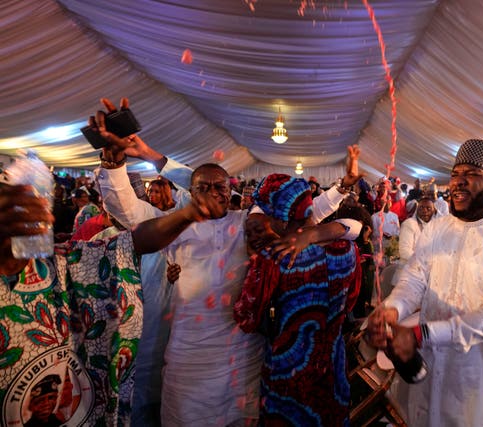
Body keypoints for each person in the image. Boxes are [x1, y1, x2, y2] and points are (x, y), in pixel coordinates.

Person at [92, 96, 363, 426]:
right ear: (190, 193)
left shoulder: (245, 224)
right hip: (189, 363)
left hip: (243, 362)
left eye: (219, 187)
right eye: (202, 188)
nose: (212, 193)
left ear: (230, 190)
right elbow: (127, 211)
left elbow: (309, 212)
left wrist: (337, 195)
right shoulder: (175, 225)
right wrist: (114, 167)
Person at [0, 180, 218, 427]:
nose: (32, 226)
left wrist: (188, 214)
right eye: (12, 220)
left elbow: (132, 243)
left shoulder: (57, 264)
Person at [366, 138, 483, 426]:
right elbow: (414, 278)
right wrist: (392, 309)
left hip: (481, 376)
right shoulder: (436, 228)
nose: (459, 182)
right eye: (455, 175)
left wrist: (422, 335)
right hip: (432, 367)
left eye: (472, 175)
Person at [234, 174, 360, 426]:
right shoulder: (348, 250)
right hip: (332, 372)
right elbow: (351, 302)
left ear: (277, 219)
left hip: (287, 377)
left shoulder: (272, 259)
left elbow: (246, 318)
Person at [398, 196, 436, 263]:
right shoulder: (409, 224)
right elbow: (404, 251)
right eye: (421, 208)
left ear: (434, 211)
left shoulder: (436, 226)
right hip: (411, 268)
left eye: (428, 208)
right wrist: (424, 262)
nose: (425, 211)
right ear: (417, 209)